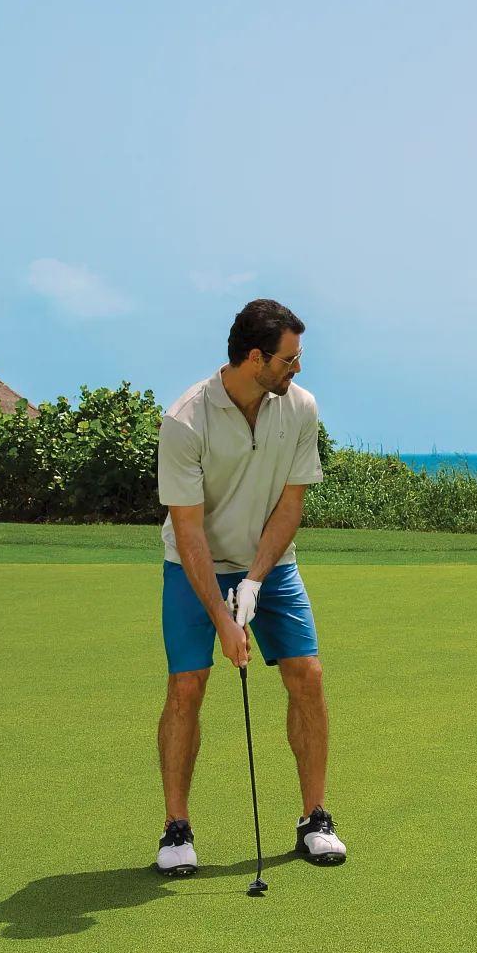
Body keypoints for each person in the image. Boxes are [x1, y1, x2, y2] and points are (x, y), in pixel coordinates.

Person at [153, 298, 346, 874]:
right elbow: (188, 533)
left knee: (307, 676)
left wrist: (256, 582)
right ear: (256, 357)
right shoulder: (185, 419)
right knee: (188, 685)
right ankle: (176, 829)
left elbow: (291, 503)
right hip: (196, 565)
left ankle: (315, 817)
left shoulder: (299, 407)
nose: (299, 368)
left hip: (272, 563)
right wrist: (222, 617)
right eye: (290, 358)